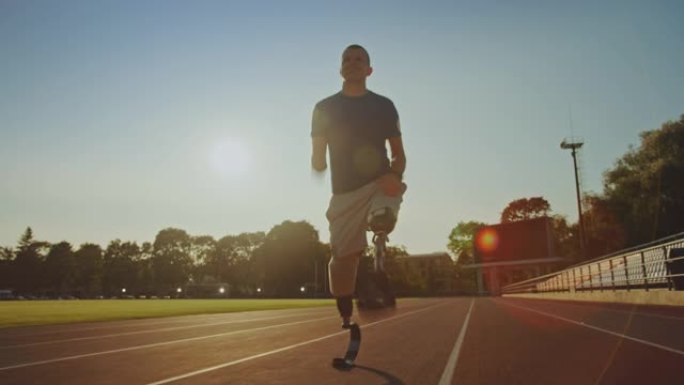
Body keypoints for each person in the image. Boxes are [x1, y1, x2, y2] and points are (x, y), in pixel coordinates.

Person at [311, 44, 407, 327]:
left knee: (383, 214)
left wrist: (394, 175)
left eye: (359, 59)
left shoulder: (384, 106)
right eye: (347, 59)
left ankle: (377, 272)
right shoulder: (323, 108)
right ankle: (345, 312)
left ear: (369, 70)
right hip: (343, 194)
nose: (352, 62)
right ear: (341, 69)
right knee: (342, 260)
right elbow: (318, 153)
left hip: (379, 182)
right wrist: (318, 162)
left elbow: (399, 155)